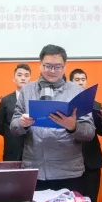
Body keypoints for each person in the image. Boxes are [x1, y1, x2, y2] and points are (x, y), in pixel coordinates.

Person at [11, 44, 95, 191]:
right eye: (48, 66)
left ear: (64, 67)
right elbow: (13, 127)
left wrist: (73, 127)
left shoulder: (77, 91)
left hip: (68, 171)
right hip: (34, 169)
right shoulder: (27, 90)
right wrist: (21, 123)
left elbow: (89, 133)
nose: (52, 70)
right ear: (40, 65)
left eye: (57, 67)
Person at [68, 68, 102, 202]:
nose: (80, 82)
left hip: (91, 159)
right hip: (69, 158)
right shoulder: (66, 104)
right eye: (77, 80)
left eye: (83, 79)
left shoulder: (96, 105)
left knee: (91, 201)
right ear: (70, 82)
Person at [0, 63, 31, 161]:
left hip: (32, 151)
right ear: (14, 79)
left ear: (30, 79)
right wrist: (11, 135)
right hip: (12, 150)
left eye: (26, 75)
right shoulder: (6, 100)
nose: (23, 78)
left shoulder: (35, 100)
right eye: (19, 75)